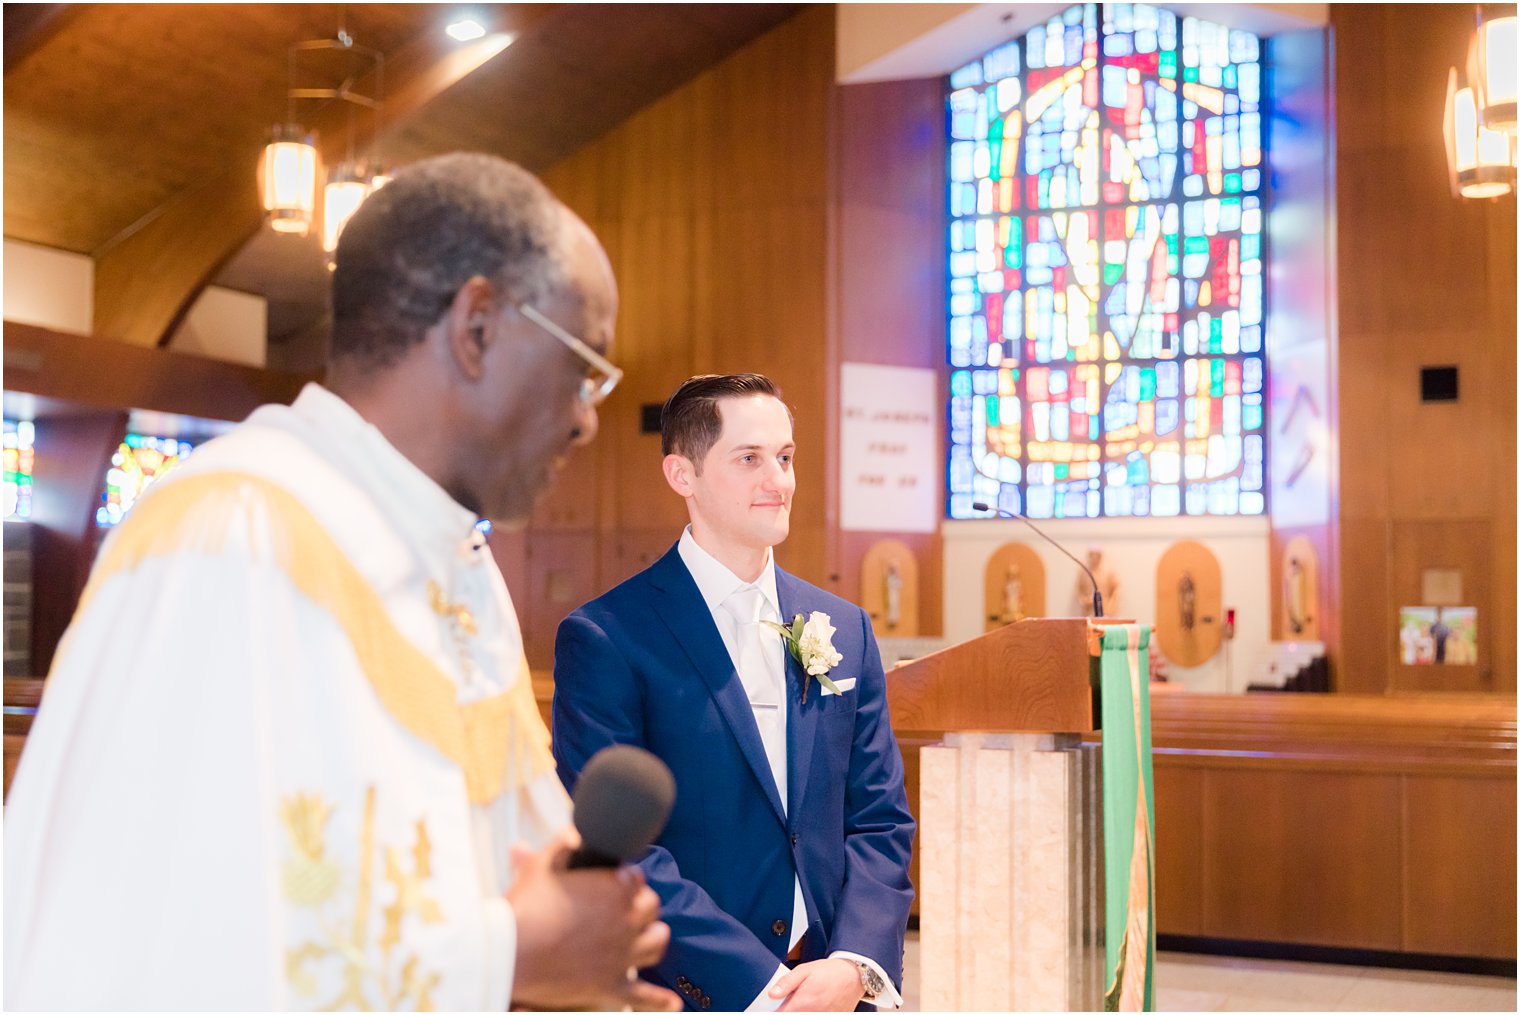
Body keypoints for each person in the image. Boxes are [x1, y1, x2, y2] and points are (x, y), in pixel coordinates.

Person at [3, 153, 677, 1012]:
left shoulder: (462, 574)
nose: (587, 417)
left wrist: (578, 959)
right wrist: (505, 960)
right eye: (584, 367)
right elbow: (141, 950)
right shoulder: (229, 533)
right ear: (476, 327)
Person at [552, 373, 916, 1012]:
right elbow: (618, 845)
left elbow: (878, 816)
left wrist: (856, 965)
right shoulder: (608, 636)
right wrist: (758, 985)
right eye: (749, 459)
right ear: (682, 475)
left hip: (834, 984)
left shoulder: (846, 628)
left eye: (785, 457)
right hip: (696, 990)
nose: (778, 480)